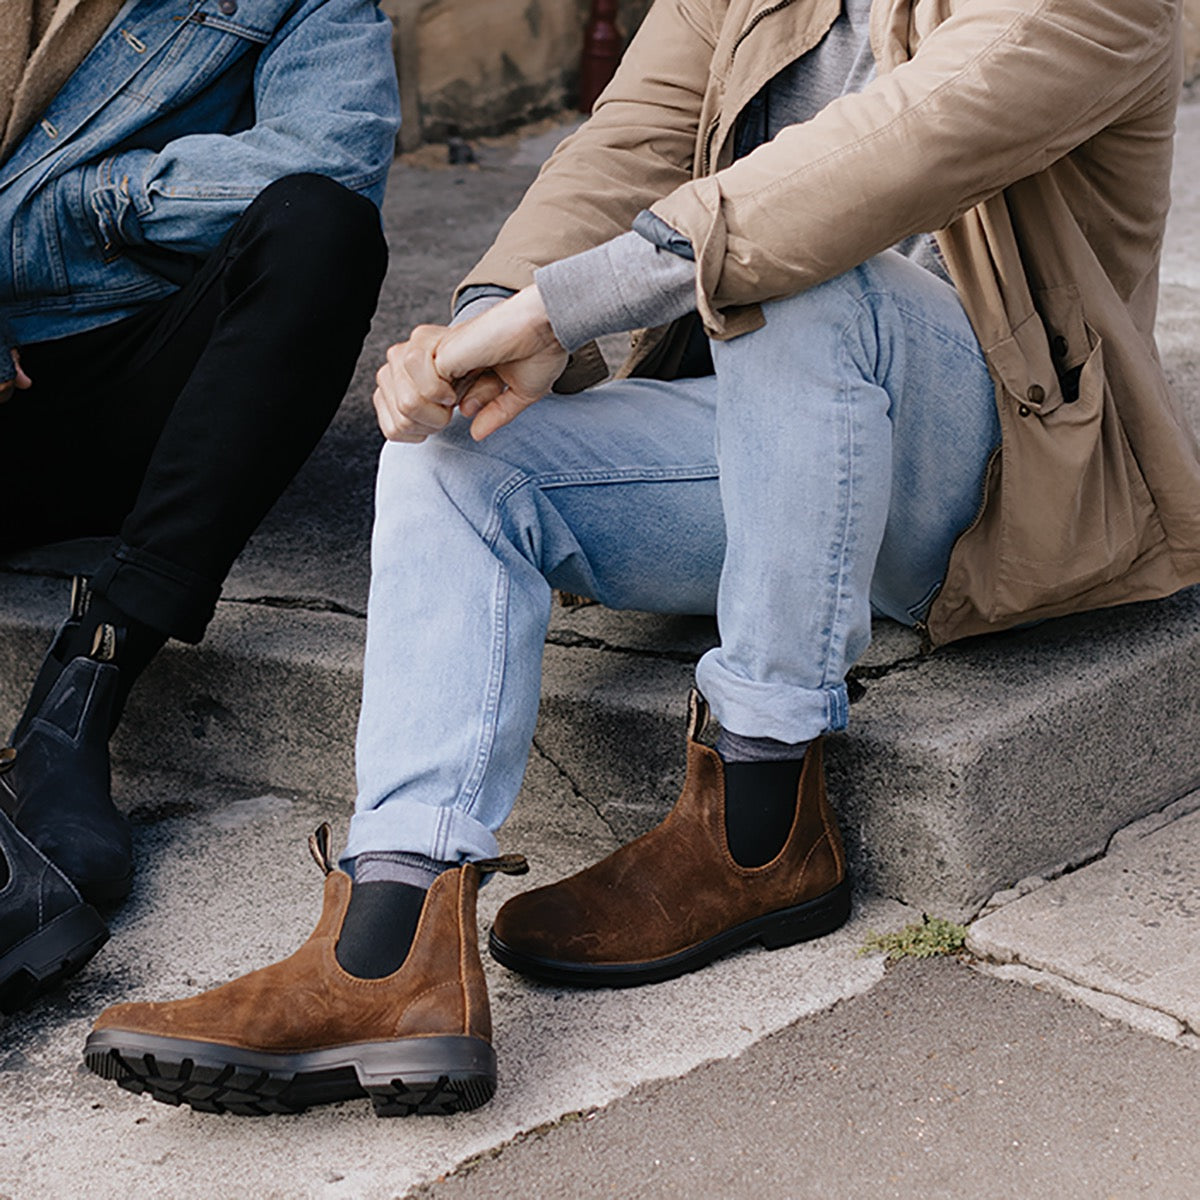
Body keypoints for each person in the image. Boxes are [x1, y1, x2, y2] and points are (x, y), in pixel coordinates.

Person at [83, 0, 1200, 1118]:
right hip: (779, 443)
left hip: (993, 479)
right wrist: (482, 325)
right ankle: (393, 938)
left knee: (804, 255)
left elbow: (872, 161)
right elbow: (629, 138)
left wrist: (557, 314)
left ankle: (759, 820)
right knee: (460, 457)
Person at [0, 0, 399, 1016]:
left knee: (324, 228)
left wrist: (81, 207)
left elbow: (332, 161)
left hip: (148, 389)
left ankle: (83, 691)